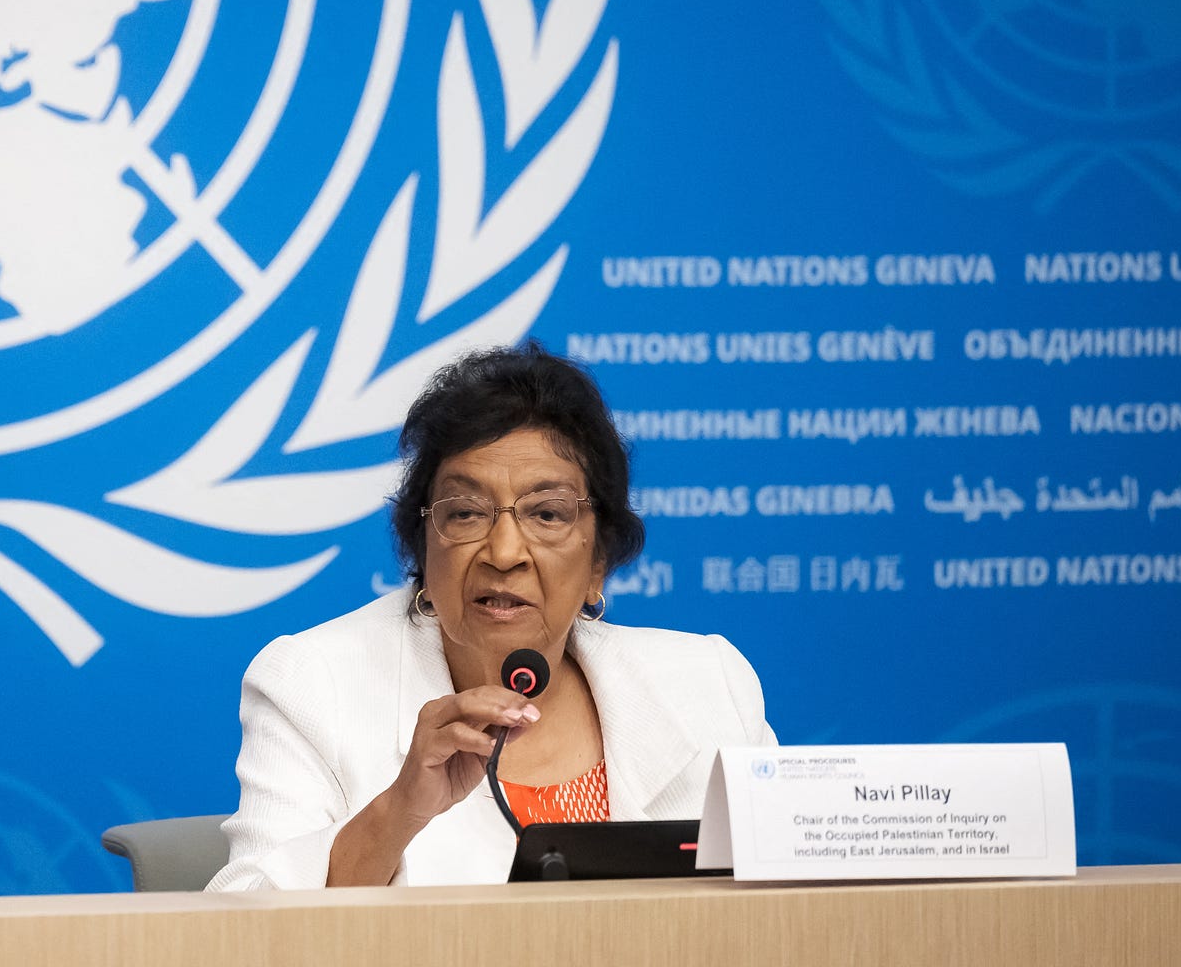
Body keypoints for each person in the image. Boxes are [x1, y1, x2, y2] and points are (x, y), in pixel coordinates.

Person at [208, 341, 773, 888]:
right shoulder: (312, 684)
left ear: (598, 562)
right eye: (466, 513)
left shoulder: (710, 684)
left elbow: (791, 896)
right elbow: (242, 922)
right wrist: (399, 810)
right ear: (423, 548)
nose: (504, 553)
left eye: (547, 514)